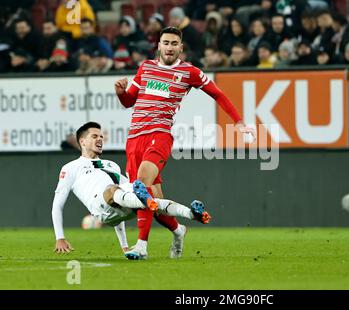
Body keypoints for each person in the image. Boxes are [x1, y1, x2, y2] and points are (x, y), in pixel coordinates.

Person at [114, 27, 255, 260]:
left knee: (141, 185)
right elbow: (129, 101)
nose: (169, 47)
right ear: (158, 45)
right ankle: (179, 230)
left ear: (181, 48)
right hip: (134, 139)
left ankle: (141, 246)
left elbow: (218, 94)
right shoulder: (145, 68)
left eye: (174, 43)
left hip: (159, 135)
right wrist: (121, 93)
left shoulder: (189, 72)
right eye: (165, 42)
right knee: (154, 203)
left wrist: (238, 122)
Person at [52, 122, 211, 258]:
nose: (100, 139)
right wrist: (60, 237)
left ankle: (191, 214)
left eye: (101, 136)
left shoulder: (111, 165)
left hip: (121, 204)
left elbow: (123, 192)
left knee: (145, 197)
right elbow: (57, 204)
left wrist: (124, 247)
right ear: (82, 141)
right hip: (101, 209)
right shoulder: (70, 168)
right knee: (120, 191)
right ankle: (146, 201)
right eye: (94, 136)